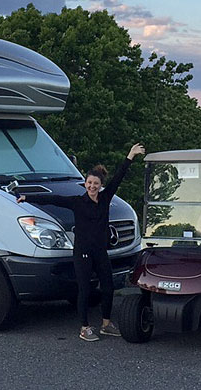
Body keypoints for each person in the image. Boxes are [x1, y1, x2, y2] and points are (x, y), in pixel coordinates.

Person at [18, 142, 146, 342]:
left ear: (100, 185)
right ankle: (84, 327)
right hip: (82, 253)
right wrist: (26, 197)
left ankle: (106, 323)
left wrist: (130, 155)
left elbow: (119, 177)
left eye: (96, 184)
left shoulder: (105, 199)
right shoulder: (77, 202)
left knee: (108, 287)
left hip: (100, 252)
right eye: (89, 183)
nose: (92, 186)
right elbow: (53, 199)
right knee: (85, 288)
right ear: (85, 184)